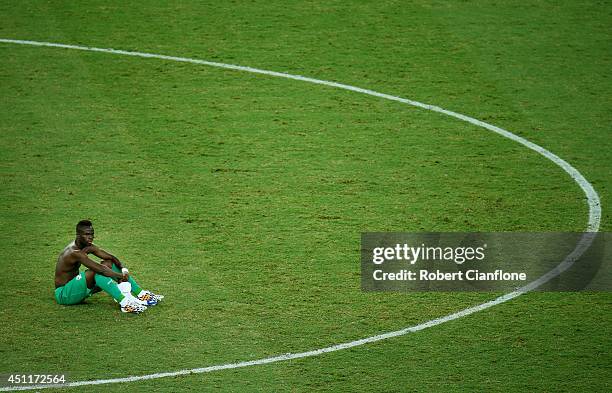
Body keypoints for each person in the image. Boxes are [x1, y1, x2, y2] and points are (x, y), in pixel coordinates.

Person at [54, 220, 163, 314]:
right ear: (78, 235)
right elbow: (99, 269)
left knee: (108, 263)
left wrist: (122, 268)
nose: (90, 237)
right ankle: (125, 303)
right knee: (96, 272)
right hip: (64, 295)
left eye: (92, 234)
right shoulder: (74, 252)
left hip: (77, 291)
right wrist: (121, 276)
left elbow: (110, 257)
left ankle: (142, 294)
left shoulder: (86, 246)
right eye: (87, 234)